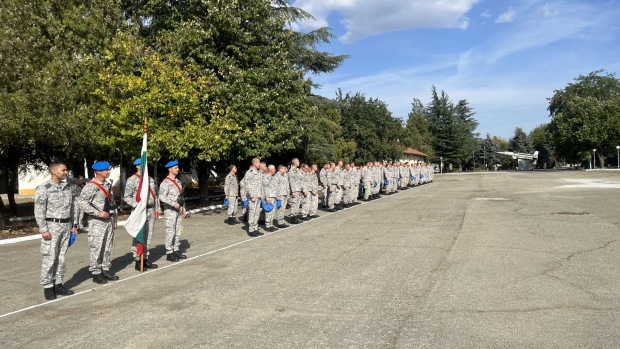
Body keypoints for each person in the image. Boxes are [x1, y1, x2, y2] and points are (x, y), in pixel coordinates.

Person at [34, 161, 78, 300]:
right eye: (63, 170)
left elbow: (72, 208)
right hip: (52, 226)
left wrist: (73, 225)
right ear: (54, 171)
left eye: (66, 170)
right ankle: (48, 286)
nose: (66, 172)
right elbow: (39, 210)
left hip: (66, 226)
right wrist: (43, 229)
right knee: (50, 256)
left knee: (61, 257)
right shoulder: (44, 188)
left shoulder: (67, 187)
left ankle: (58, 283)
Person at [79, 161, 119, 284]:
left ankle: (105, 270)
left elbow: (111, 203)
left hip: (108, 221)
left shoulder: (107, 184)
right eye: (106, 170)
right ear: (98, 172)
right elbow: (82, 202)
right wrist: (97, 213)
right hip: (97, 222)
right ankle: (96, 273)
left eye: (108, 169)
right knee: (96, 248)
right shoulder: (90, 186)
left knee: (107, 247)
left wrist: (115, 219)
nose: (109, 172)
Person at [123, 158, 159, 271]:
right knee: (139, 236)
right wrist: (137, 205)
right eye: (143, 165)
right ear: (138, 166)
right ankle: (138, 260)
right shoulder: (132, 180)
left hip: (149, 211)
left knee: (148, 236)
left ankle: (145, 258)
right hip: (139, 211)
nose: (146, 166)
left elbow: (155, 195)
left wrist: (157, 208)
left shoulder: (150, 179)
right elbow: (126, 197)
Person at [159, 160, 187, 262]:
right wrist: (173, 203)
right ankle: (169, 252)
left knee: (177, 231)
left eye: (178, 167)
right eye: (176, 168)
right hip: (170, 210)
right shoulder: (165, 183)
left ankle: (176, 250)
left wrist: (184, 209)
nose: (178, 169)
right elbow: (161, 196)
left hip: (178, 210)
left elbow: (181, 197)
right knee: (170, 231)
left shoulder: (178, 182)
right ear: (170, 169)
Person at [243, 158, 263, 236]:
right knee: (252, 213)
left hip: (258, 196)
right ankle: (251, 230)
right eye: (259, 163)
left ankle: (255, 228)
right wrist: (251, 196)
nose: (259, 164)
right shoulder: (249, 172)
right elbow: (247, 185)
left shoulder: (258, 173)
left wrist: (261, 195)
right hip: (253, 196)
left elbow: (260, 185)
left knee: (257, 213)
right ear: (255, 164)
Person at [262, 165, 278, 232]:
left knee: (272, 211)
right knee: (268, 211)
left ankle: (271, 224)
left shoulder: (272, 177)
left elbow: (274, 188)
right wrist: (267, 199)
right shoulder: (266, 177)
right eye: (274, 169)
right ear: (271, 170)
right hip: (269, 196)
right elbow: (266, 189)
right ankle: (268, 225)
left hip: (273, 196)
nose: (275, 170)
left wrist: (276, 195)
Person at [288, 158, 303, 224]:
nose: (299, 162)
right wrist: (293, 191)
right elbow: (291, 181)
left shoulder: (297, 170)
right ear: (294, 163)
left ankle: (295, 216)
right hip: (295, 190)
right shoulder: (291, 171)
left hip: (298, 189)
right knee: (294, 204)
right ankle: (292, 218)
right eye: (298, 161)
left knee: (297, 204)